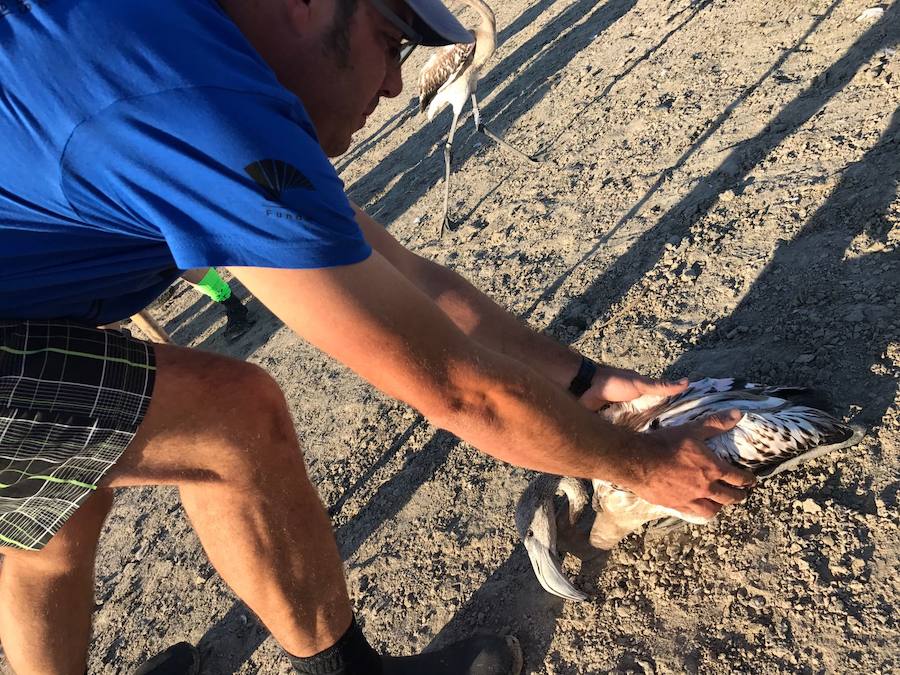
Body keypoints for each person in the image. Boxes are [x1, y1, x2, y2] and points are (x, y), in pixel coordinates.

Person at [0, 1, 756, 674]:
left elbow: (403, 272)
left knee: (60, 504)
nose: (396, 86)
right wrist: (646, 464)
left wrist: (582, 380)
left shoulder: (189, 49)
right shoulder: (196, 106)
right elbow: (461, 391)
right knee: (230, 417)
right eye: (391, 40)